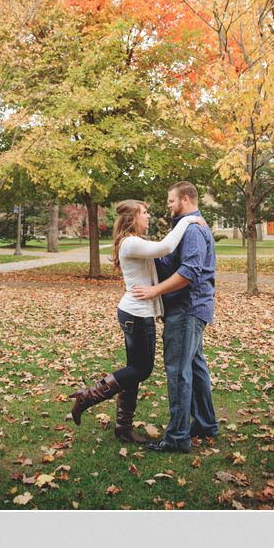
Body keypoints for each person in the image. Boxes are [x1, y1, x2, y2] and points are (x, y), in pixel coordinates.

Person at [68, 199, 194, 441]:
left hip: (137, 313)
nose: (148, 216)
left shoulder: (136, 242)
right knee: (141, 370)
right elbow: (166, 247)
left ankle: (123, 428)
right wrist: (187, 219)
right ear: (132, 218)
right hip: (137, 315)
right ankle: (88, 397)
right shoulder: (131, 243)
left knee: (133, 371)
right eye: (144, 213)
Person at [131, 180, 219, 453]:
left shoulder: (192, 229)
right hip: (191, 308)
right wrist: (141, 247)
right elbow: (169, 263)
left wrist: (155, 290)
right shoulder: (188, 227)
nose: (167, 205)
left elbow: (190, 272)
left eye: (171, 201)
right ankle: (205, 424)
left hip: (186, 309)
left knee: (178, 372)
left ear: (184, 200)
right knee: (194, 367)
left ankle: (177, 438)